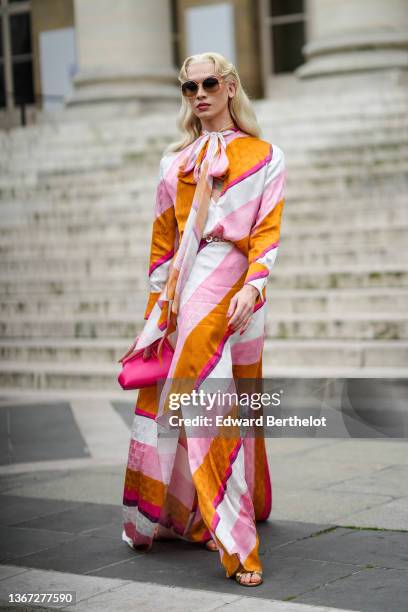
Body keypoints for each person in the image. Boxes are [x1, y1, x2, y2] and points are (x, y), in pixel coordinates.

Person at [119, 51, 286, 587]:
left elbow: (267, 231)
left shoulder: (266, 155)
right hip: (192, 287)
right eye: (189, 87)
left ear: (232, 86)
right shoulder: (174, 162)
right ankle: (236, 539)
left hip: (242, 287)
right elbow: (162, 242)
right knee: (205, 397)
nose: (199, 94)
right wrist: (155, 315)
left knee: (237, 394)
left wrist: (255, 286)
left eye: (209, 83)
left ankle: (219, 507)